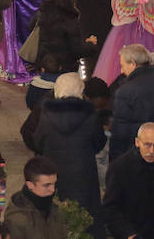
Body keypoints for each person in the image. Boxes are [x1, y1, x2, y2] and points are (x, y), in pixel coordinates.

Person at [33, 73, 107, 238]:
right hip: (83, 173)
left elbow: (37, 141)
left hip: (54, 173)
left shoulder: (47, 114)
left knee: (56, 213)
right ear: (80, 91)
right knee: (86, 216)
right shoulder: (90, 115)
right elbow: (100, 142)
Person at [103, 122, 154, 239]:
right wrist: (128, 233)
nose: (151, 151)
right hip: (132, 230)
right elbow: (110, 208)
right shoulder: (119, 167)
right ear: (137, 142)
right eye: (147, 145)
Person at [33, 0, 99, 74]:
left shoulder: (43, 12)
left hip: (45, 65)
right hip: (63, 69)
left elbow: (31, 27)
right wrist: (91, 45)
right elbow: (77, 51)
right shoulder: (70, 19)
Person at [1, 156, 69, 239]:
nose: (52, 190)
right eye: (47, 185)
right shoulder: (16, 220)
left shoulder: (56, 208)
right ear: (30, 185)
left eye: (54, 183)